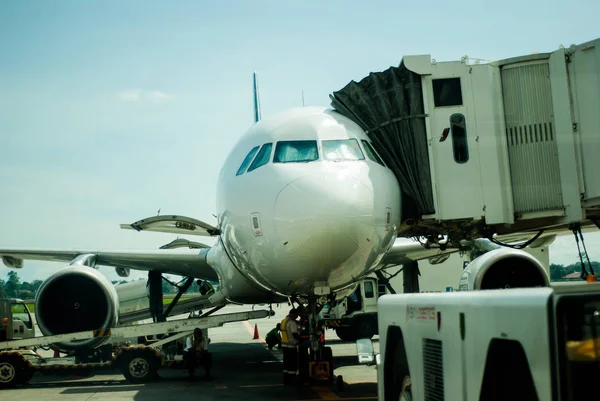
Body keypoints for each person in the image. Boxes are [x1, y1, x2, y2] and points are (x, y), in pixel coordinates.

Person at [280, 308, 302, 385]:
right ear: (293, 314)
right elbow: (294, 334)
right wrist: (301, 340)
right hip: (291, 346)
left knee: (286, 365)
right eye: (296, 315)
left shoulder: (284, 321)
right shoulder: (292, 323)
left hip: (284, 346)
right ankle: (292, 381)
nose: (297, 317)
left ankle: (286, 381)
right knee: (292, 365)